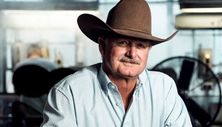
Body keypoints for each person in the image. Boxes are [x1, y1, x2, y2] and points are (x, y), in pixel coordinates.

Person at [41, 0, 192, 126]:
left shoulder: (164, 89)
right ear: (102, 46)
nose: (132, 53)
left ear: (148, 50)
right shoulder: (69, 93)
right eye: (123, 42)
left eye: (140, 45)